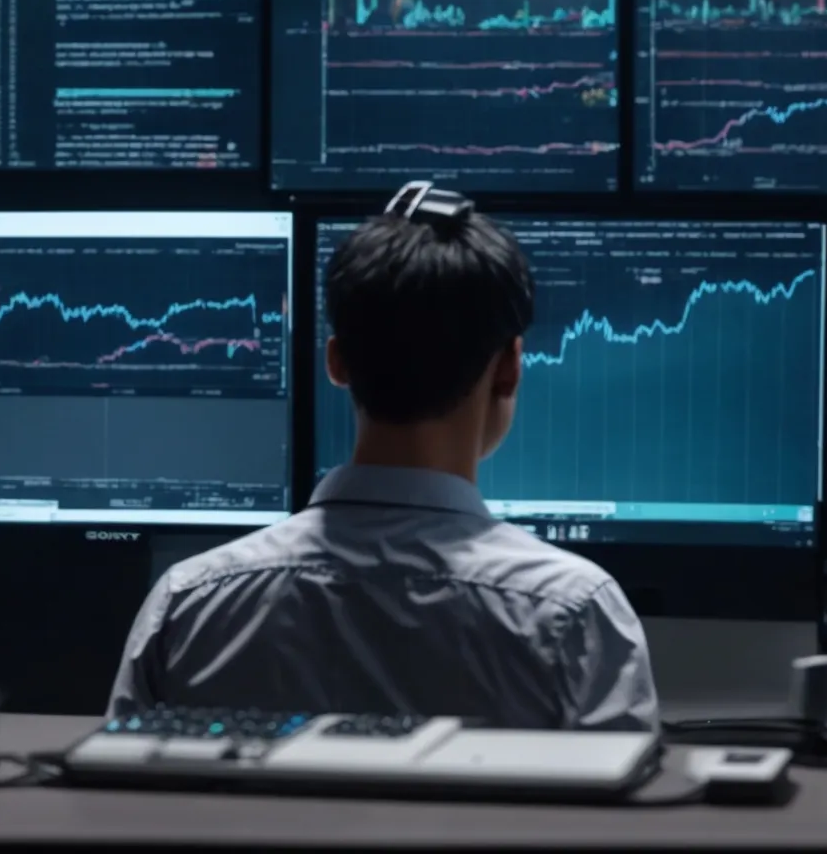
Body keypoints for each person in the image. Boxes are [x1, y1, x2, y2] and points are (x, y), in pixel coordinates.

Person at [108, 183, 658, 731]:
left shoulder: (188, 606)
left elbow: (125, 805)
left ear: (337, 362)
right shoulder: (574, 614)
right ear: (511, 367)